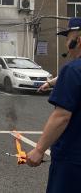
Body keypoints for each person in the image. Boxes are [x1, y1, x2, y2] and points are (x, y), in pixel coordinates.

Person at [27, 17, 81, 193]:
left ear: (78, 40)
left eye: (68, 38)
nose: (66, 43)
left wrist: (39, 149)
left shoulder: (73, 70)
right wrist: (51, 83)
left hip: (73, 158)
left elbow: (62, 116)